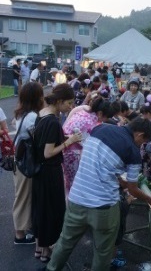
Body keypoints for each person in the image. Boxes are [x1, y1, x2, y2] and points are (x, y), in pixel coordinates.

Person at [46, 117, 151, 271]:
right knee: (103, 251)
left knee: (65, 241)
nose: (141, 145)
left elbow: (98, 163)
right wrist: (149, 199)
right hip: (104, 207)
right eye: (143, 141)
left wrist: (118, 179)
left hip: (77, 199)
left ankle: (51, 268)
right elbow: (133, 190)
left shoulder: (100, 129)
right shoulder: (133, 152)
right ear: (140, 134)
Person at [32, 84, 82, 262]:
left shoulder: (42, 114)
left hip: (39, 172)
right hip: (50, 172)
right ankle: (46, 251)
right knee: (51, 210)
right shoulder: (53, 121)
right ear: (59, 101)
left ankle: (39, 248)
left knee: (40, 209)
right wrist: (71, 141)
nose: (70, 106)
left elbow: (44, 142)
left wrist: (64, 138)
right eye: (69, 103)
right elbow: (48, 153)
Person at [12, 83, 44, 245]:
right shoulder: (32, 117)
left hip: (20, 161)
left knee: (23, 196)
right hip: (27, 163)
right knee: (23, 198)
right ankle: (20, 235)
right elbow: (38, 140)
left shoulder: (21, 113)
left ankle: (24, 229)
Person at [62, 97, 114, 195]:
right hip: (75, 156)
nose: (106, 120)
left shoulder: (82, 113)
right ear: (100, 113)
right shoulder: (91, 123)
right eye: (106, 117)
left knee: (69, 184)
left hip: (67, 152)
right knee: (76, 185)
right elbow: (88, 145)